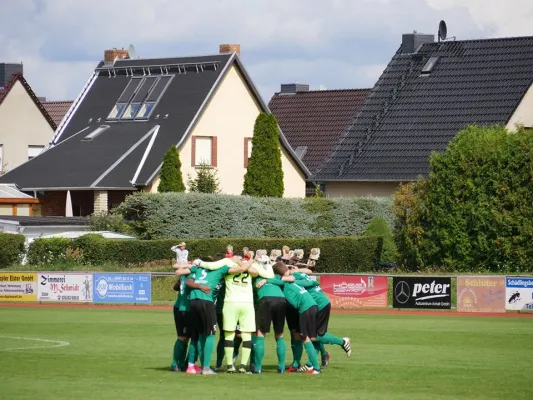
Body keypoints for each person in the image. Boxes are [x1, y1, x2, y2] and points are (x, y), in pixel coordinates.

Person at [196, 253, 273, 373]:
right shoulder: (250, 265)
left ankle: (229, 366)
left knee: (229, 334)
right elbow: (269, 274)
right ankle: (242, 366)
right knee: (246, 334)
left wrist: (198, 262)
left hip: (231, 303)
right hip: (247, 304)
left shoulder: (228, 263)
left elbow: (211, 266)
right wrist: (250, 263)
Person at [176, 256, 250, 375]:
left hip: (193, 301)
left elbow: (182, 274)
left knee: (200, 335)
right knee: (210, 334)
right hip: (206, 301)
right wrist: (250, 261)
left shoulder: (198, 268)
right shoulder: (221, 268)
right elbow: (241, 269)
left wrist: (194, 273)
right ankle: (206, 368)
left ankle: (195, 366)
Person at [266, 261, 322, 375]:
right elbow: (312, 281)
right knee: (303, 336)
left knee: (305, 337)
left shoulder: (283, 281)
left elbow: (276, 281)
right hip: (311, 306)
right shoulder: (291, 279)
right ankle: (299, 365)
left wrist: (265, 280)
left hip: (305, 308)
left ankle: (316, 368)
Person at [290, 267, 351, 369]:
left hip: (319, 304)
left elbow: (303, 282)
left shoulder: (294, 277)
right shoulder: (300, 274)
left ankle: (342, 341)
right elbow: (308, 271)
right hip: (319, 303)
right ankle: (313, 361)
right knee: (314, 334)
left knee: (313, 335)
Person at [252, 256, 287, 374]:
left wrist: (265, 281)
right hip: (281, 301)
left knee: (260, 334)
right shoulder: (275, 276)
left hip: (266, 300)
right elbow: (283, 281)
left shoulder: (255, 275)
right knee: (279, 334)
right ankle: (281, 367)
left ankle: (257, 367)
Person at [169, 272, 201, 374]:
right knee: (190, 337)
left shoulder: (185, 273)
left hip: (180, 306)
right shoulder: (197, 274)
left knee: (185, 337)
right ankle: (179, 364)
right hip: (187, 308)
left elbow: (175, 287)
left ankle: (182, 364)